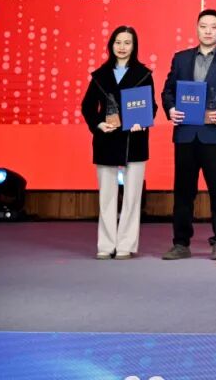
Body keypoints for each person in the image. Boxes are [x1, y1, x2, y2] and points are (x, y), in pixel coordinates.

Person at [160, 9, 216, 260]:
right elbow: (167, 92)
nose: (208, 31)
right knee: (183, 192)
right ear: (197, 28)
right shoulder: (181, 59)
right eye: (203, 26)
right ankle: (181, 243)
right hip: (186, 134)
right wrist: (171, 109)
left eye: (213, 27)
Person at [80, 26, 155, 259]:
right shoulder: (100, 75)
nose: (122, 47)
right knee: (107, 196)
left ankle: (126, 245)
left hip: (135, 138)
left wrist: (143, 122)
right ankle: (106, 245)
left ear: (134, 46)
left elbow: (151, 106)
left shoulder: (143, 74)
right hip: (107, 138)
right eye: (118, 42)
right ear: (111, 45)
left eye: (127, 43)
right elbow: (87, 106)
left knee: (132, 196)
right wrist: (98, 124)